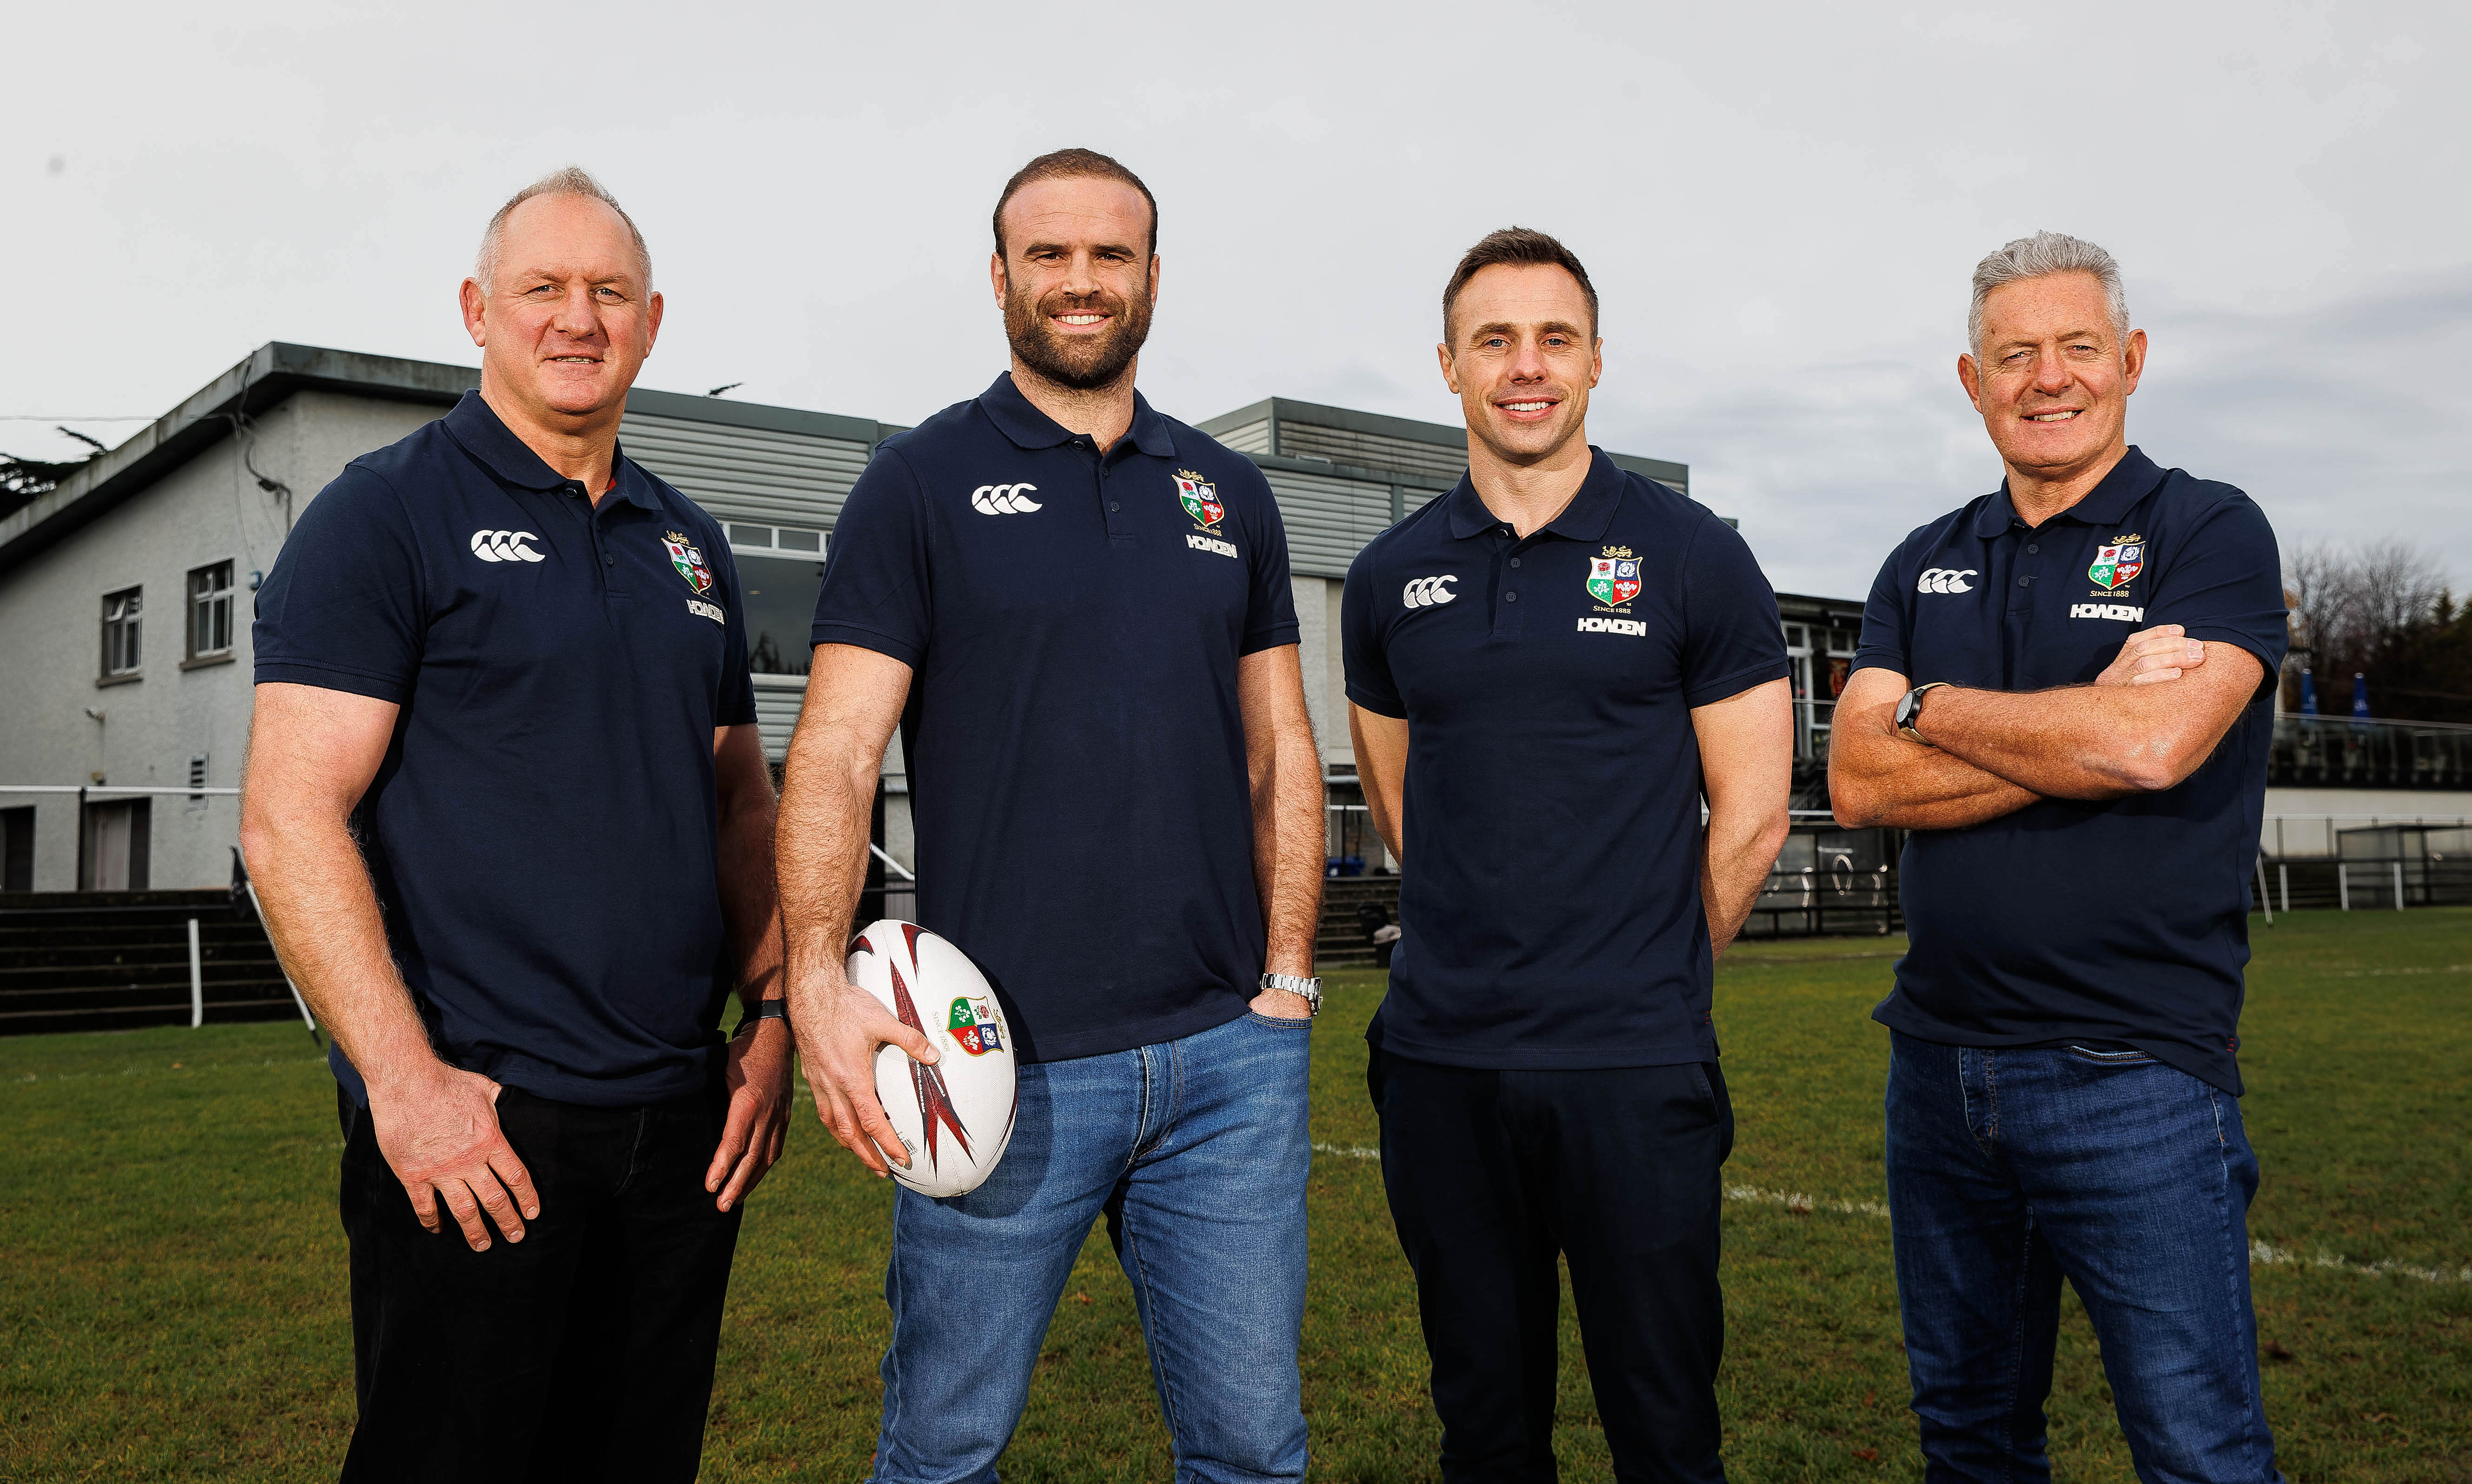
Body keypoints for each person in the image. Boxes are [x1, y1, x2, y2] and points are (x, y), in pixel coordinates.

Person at [775, 148, 1326, 1483]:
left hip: (1226, 1069)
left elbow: (1279, 745)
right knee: (946, 1451)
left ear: (1149, 277)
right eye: (1049, 256)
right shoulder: (917, 483)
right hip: (992, 1064)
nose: (1080, 283)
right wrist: (812, 980)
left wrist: (1290, 979)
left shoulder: (1223, 493)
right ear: (1000, 276)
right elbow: (837, 753)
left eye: (1110, 256)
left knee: (1253, 1452)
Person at [241, 166, 791, 1482]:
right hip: (482, 1122)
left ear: (652, 322)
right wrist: (405, 1083)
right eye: (542, 288)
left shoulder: (689, 542)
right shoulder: (386, 514)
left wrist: (770, 1021)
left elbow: (736, 798)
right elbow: (285, 816)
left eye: (608, 291)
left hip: (678, 1123)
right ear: (478, 311)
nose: (576, 318)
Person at [1829, 231, 2288, 1482]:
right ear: (1971, 382)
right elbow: (1858, 779)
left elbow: (2149, 749)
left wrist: (1927, 706)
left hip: (2130, 1070)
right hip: (1936, 1070)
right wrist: (2078, 711)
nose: (2046, 378)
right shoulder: (1923, 557)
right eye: (2011, 354)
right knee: (1969, 1440)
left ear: (2129, 361)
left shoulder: (2208, 531)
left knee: (2197, 1452)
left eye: (2075, 347)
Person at [1343, 227, 1794, 1482]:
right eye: (1494, 340)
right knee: (1483, 1432)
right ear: (1448, 365)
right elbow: (1400, 810)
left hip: (1632, 1067)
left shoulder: (1694, 554)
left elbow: (1751, 817)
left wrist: (1641, 967)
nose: (1524, 366)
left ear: (1596, 361)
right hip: (1442, 1067)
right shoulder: (1388, 580)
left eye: (1553, 339)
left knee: (1663, 1430)